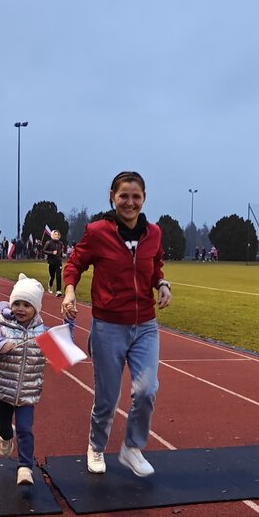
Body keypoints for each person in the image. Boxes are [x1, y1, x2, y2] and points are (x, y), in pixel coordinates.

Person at [61, 170, 171, 477]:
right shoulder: (98, 232)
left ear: (144, 198)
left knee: (147, 390)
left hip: (145, 325)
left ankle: (132, 448)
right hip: (108, 327)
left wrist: (162, 284)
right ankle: (96, 446)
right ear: (112, 196)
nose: (130, 202)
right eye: (124, 196)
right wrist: (69, 291)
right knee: (107, 399)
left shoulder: (154, 233)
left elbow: (155, 265)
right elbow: (75, 262)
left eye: (136, 196)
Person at [0, 274, 48, 486]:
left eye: (27, 305)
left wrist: (70, 322)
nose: (20, 309)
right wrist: (0, 345)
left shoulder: (42, 333)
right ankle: (6, 435)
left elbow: (64, 342)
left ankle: (25, 467)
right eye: (17, 303)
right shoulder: (3, 328)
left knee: (25, 429)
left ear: (36, 309)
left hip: (27, 393)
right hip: (2, 390)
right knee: (3, 426)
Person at [43, 228, 65, 297]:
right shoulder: (48, 242)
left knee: (58, 275)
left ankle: (58, 291)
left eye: (58, 234)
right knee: (52, 276)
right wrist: (52, 252)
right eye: (55, 234)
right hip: (51, 262)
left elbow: (61, 251)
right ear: (52, 235)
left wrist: (62, 255)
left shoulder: (60, 243)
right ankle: (50, 285)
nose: (57, 236)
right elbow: (44, 250)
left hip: (58, 262)